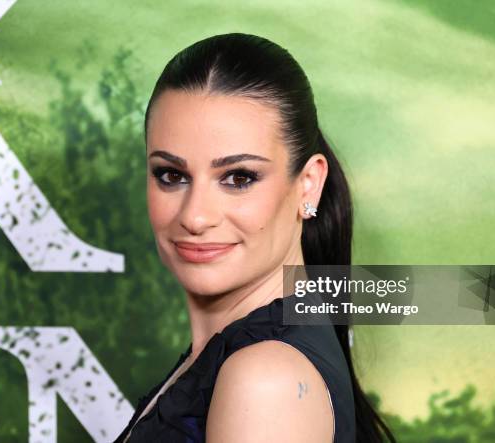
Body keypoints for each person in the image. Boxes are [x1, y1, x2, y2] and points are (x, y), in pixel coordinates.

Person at [113, 33, 395, 443]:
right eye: (171, 175)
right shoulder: (241, 360)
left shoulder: (265, 381)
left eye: (239, 178)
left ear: (309, 185)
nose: (195, 216)